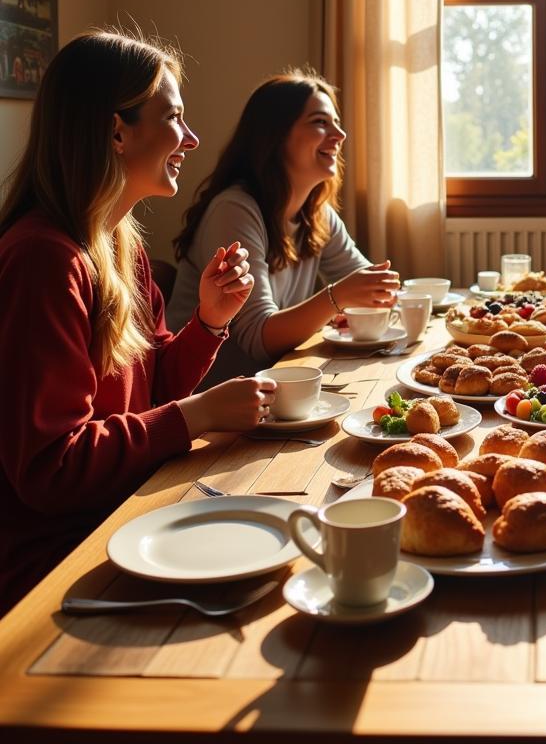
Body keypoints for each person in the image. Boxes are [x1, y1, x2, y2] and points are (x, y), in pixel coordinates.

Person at [0, 31, 272, 617]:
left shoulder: (120, 244)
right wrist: (197, 416)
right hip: (54, 569)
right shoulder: (43, 261)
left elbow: (152, 392)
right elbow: (50, 469)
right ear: (116, 132)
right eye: (173, 117)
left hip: (123, 518)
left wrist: (209, 321)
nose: (192, 139)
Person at [168, 71, 399, 383]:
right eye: (320, 122)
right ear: (275, 136)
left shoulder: (317, 214)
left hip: (278, 386)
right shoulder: (234, 209)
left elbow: (372, 290)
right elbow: (257, 339)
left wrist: (374, 293)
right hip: (218, 398)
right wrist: (337, 298)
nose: (340, 134)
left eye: (335, 122)